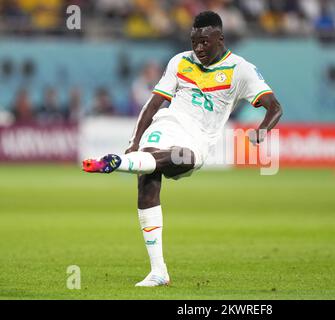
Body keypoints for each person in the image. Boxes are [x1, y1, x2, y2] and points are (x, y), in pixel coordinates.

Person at [82, 11, 283, 287]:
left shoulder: (240, 70)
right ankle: (158, 271)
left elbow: (275, 107)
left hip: (198, 139)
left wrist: (262, 131)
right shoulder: (179, 61)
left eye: (204, 42)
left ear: (220, 38)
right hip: (167, 124)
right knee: (148, 180)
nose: (198, 48)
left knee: (178, 158)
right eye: (194, 41)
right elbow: (153, 105)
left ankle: (122, 163)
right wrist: (133, 142)